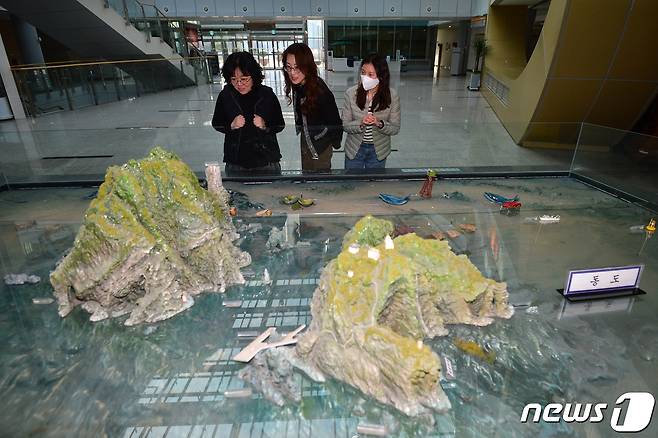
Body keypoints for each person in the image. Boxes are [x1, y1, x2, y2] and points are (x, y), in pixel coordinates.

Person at [211, 51, 284, 174]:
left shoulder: (266, 94)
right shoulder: (226, 95)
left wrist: (264, 125)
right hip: (236, 162)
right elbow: (216, 123)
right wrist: (231, 126)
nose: (239, 84)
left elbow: (280, 124)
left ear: (253, 76)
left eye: (244, 79)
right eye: (234, 79)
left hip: (266, 161)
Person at [282, 43, 343, 172]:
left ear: (307, 66)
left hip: (320, 144)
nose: (292, 73)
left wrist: (324, 139)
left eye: (297, 68)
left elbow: (335, 122)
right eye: (289, 67)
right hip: (307, 139)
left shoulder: (320, 90)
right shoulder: (299, 85)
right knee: (307, 178)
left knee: (319, 184)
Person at [342, 53, 401, 169]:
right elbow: (345, 125)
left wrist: (379, 123)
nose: (365, 77)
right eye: (363, 73)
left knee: (374, 184)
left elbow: (395, 128)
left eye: (370, 74)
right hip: (354, 149)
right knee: (352, 183)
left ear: (381, 76)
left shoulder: (392, 96)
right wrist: (361, 122)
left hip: (378, 150)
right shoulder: (351, 93)